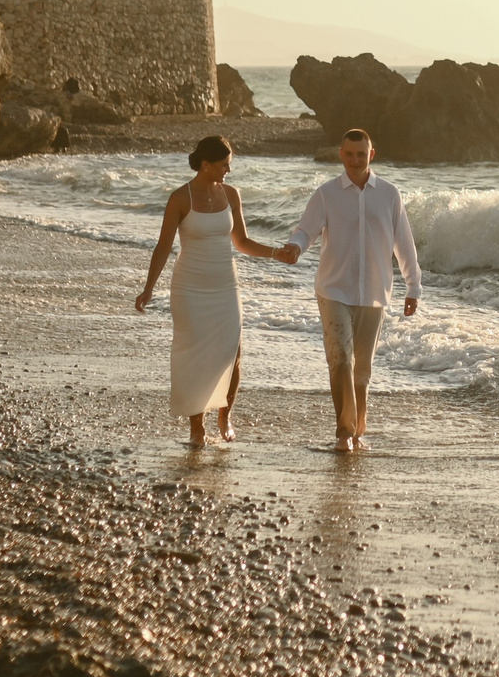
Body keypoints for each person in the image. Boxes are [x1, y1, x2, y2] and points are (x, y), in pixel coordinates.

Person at [135, 135, 290, 445]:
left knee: (233, 352)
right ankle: (197, 427)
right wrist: (148, 288)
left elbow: (242, 242)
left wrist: (276, 253)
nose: (228, 171)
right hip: (189, 287)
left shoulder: (231, 194)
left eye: (229, 165)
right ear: (205, 165)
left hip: (225, 285)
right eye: (223, 165)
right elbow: (164, 246)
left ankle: (225, 414)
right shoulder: (180, 198)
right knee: (196, 355)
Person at [280, 128, 420, 449]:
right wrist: (295, 247)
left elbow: (404, 244)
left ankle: (358, 431)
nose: (355, 160)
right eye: (350, 154)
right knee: (341, 360)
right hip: (334, 290)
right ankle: (344, 433)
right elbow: (306, 230)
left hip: (375, 292)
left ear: (372, 155)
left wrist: (413, 287)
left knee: (362, 371)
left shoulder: (390, 194)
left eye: (361, 154)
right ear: (341, 154)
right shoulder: (326, 193)